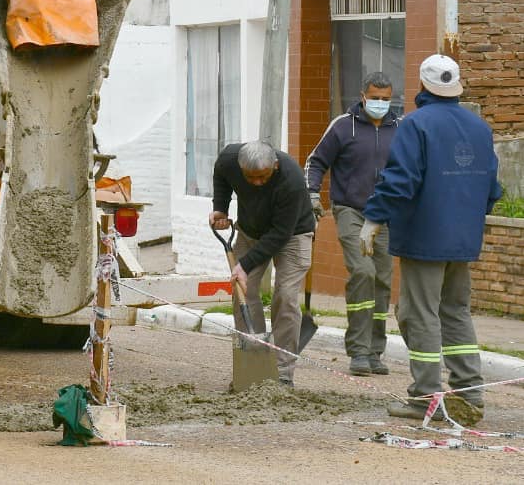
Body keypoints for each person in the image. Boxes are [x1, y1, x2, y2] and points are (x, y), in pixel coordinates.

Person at [362, 55, 501, 425]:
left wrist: (374, 217)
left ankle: (426, 397)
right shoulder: (479, 127)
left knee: (417, 314)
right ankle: (470, 393)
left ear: (421, 86)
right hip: (463, 238)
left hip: (424, 235)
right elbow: (492, 187)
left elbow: (401, 180)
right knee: (455, 312)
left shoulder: (415, 124)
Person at [305, 71, 399, 377]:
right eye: (375, 98)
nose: (380, 104)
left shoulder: (399, 128)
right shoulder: (343, 127)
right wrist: (312, 194)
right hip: (350, 210)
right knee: (363, 271)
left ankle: (374, 350)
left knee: (382, 282)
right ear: (363, 96)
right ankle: (358, 350)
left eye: (386, 99)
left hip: (384, 214)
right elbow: (316, 161)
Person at [210, 140, 316, 386]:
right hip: (250, 231)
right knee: (243, 294)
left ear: (275, 166)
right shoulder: (229, 159)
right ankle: (256, 369)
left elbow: (280, 233)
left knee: (286, 297)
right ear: (240, 167)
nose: (257, 182)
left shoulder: (292, 179)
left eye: (263, 177)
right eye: (250, 177)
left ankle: (281, 374)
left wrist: (244, 264)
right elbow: (221, 175)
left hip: (293, 234)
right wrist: (220, 208)